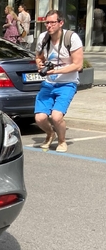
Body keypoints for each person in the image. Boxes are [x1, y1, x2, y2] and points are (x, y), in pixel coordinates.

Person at [34, 10, 83, 153]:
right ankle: (50, 134)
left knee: (56, 116)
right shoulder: (43, 38)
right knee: (40, 118)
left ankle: (62, 141)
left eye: (52, 22)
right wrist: (39, 64)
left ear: (60, 23)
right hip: (48, 83)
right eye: (46, 23)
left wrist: (55, 71)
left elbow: (78, 65)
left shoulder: (71, 38)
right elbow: (38, 57)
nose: (48, 26)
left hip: (67, 84)